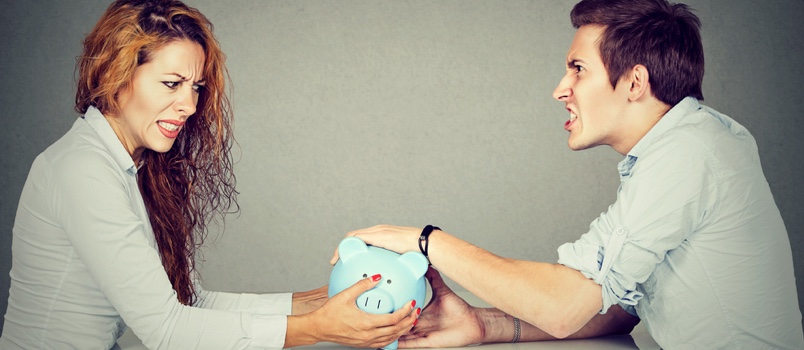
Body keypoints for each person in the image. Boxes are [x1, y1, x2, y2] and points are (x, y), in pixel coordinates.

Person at [335, 0, 804, 348]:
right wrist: (483, 325)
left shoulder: (690, 154)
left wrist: (426, 240)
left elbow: (564, 309)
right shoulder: (686, 147)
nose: (561, 89)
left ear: (635, 83)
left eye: (578, 69)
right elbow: (620, 309)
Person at [0, 0, 419, 349]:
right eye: (171, 83)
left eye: (196, 87)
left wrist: (321, 301)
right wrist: (318, 328)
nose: (189, 105)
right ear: (115, 74)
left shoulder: (129, 168)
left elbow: (191, 302)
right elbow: (166, 329)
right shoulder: (82, 170)